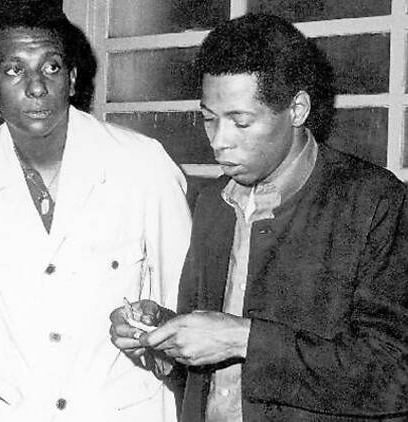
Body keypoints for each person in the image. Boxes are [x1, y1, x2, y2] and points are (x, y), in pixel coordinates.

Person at [110, 13, 408, 421]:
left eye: (241, 121)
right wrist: (161, 336)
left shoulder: (375, 202)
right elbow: (201, 374)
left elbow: (394, 377)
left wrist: (243, 339)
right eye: (209, 118)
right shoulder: (215, 203)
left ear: (297, 109)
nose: (219, 142)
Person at [0, 9, 192, 422]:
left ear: (71, 78)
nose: (36, 87)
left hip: (122, 409)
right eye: (14, 70)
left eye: (51, 67)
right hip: (18, 408)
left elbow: (179, 298)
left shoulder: (143, 165)